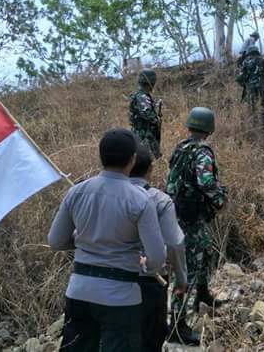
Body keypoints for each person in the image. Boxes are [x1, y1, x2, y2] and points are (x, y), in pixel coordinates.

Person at [48, 128, 166, 351]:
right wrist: (147, 265)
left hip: (79, 292)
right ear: (132, 160)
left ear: (100, 157)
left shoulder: (77, 191)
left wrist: (86, 240)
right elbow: (157, 258)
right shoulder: (140, 200)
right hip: (121, 297)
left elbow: (55, 241)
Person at [165, 107, 227, 345]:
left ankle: (203, 294)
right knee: (188, 268)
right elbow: (206, 181)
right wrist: (219, 199)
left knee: (205, 249)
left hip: (177, 213)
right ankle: (177, 326)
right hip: (190, 218)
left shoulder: (181, 147)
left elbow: (172, 180)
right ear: (209, 128)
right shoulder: (202, 153)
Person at [129, 145, 190, 351]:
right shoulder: (159, 199)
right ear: (150, 170)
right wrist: (181, 280)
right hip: (151, 282)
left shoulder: (105, 195)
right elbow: (174, 243)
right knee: (150, 340)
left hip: (111, 279)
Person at [237, 46, 264, 128]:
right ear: (257, 51)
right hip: (262, 86)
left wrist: (244, 84)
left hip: (250, 88)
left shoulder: (245, 62)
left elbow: (240, 77)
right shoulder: (263, 59)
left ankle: (254, 125)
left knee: (252, 106)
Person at [129, 69, 163, 158]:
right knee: (148, 159)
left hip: (144, 134)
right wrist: (157, 120)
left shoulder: (142, 95)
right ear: (151, 82)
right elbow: (147, 114)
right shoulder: (142, 96)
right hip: (144, 135)